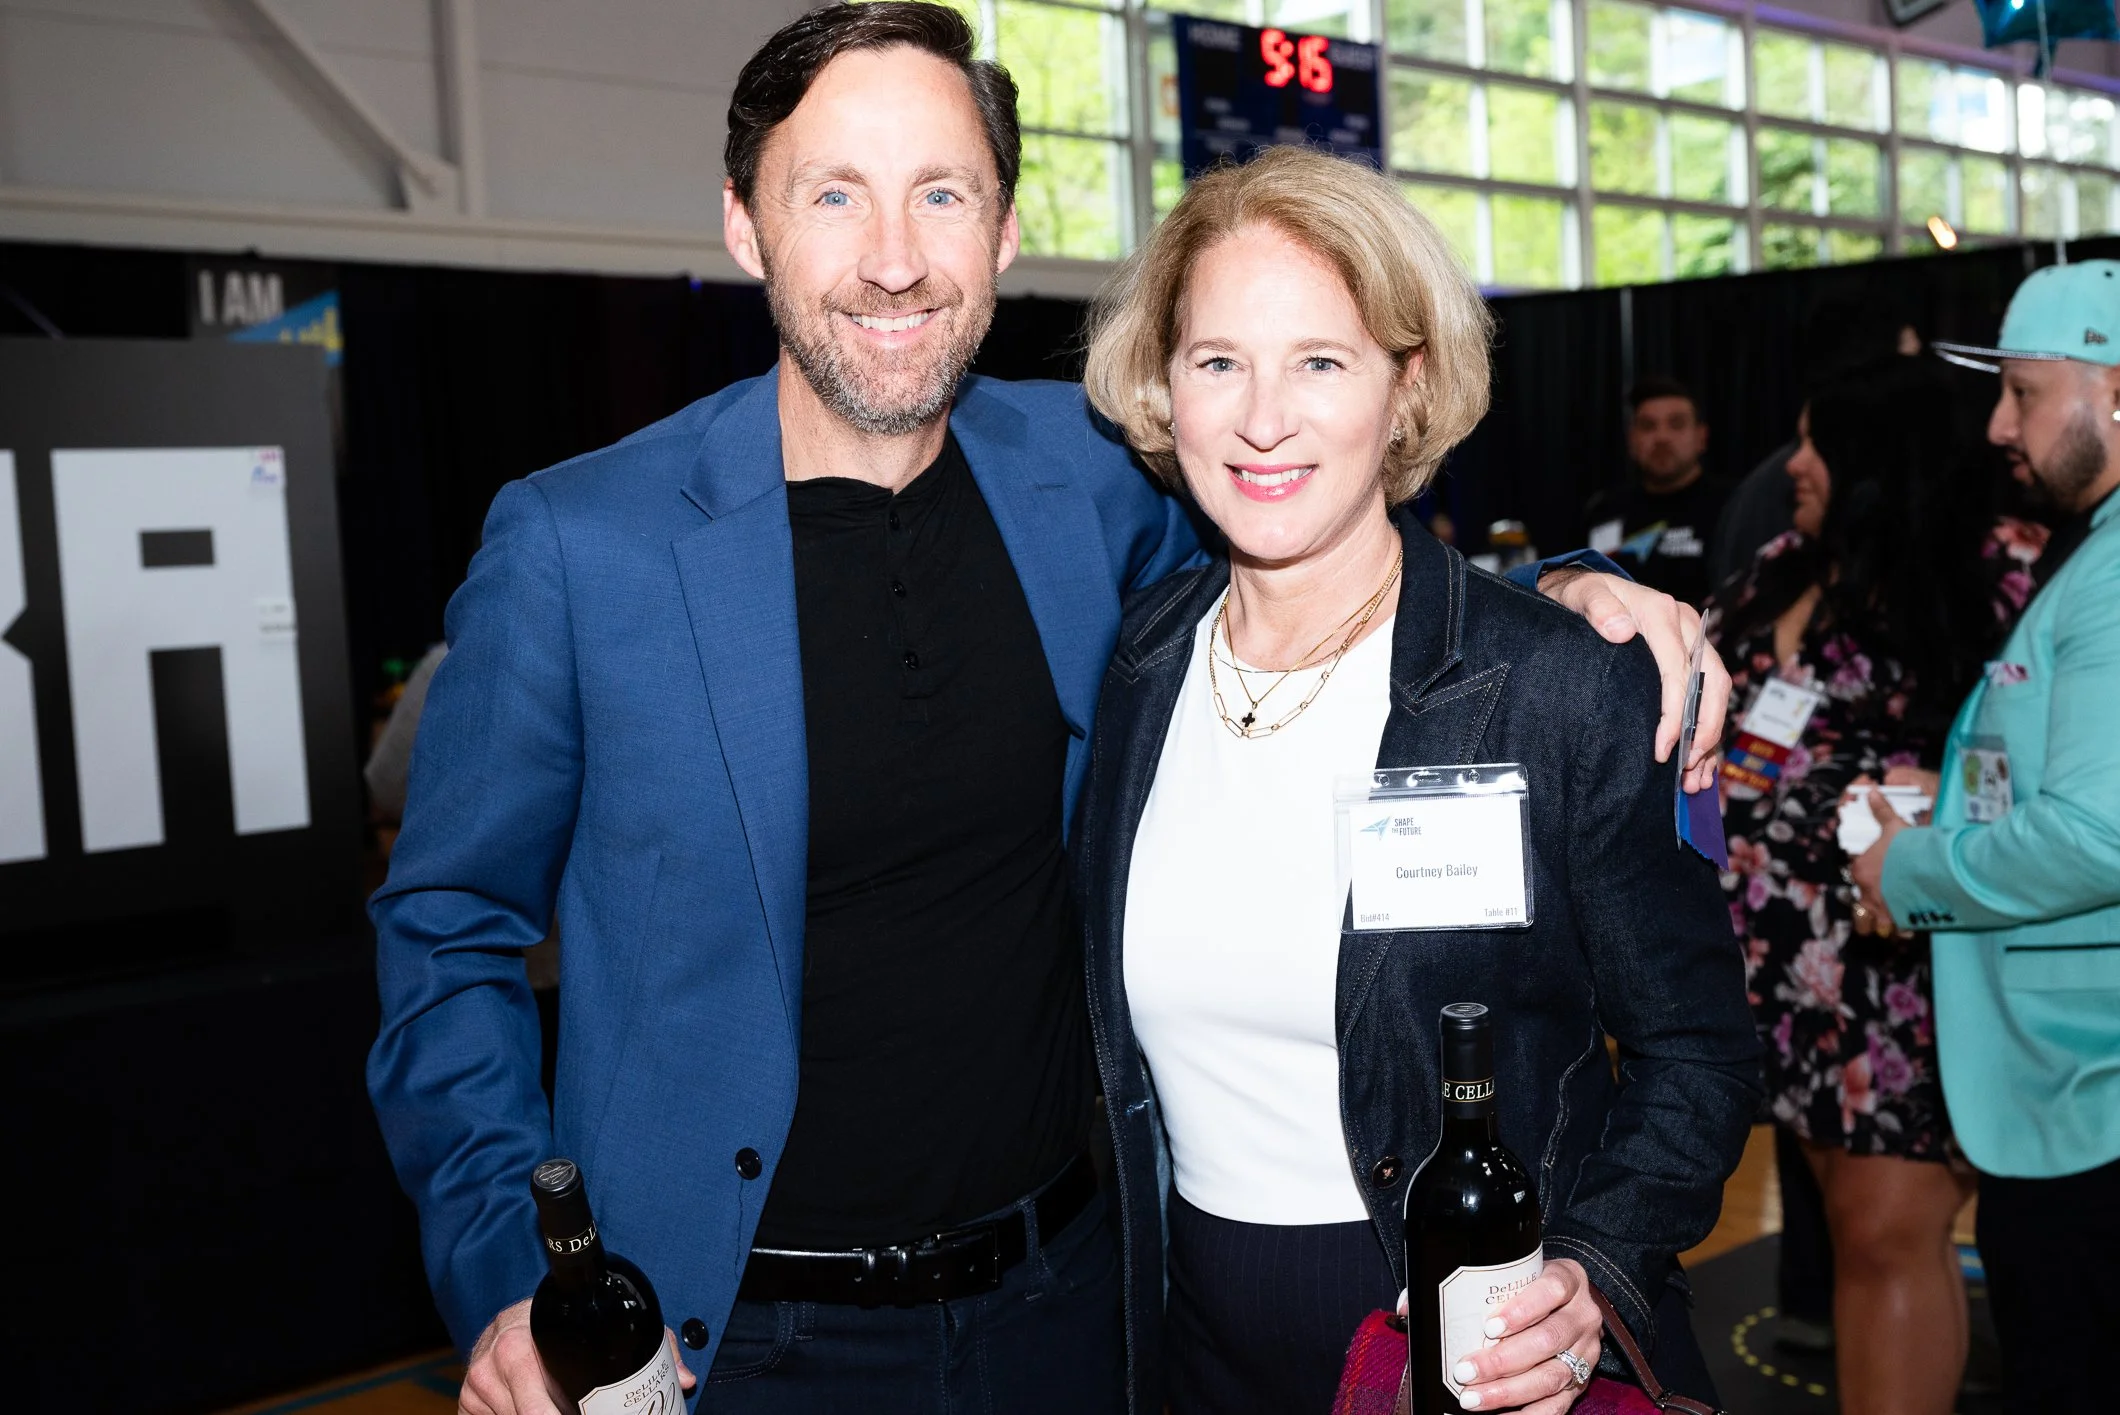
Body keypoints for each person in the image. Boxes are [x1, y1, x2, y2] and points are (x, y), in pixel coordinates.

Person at [369, 8, 1730, 1414]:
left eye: (940, 194)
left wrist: (1575, 592)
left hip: (1075, 1313)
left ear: (1005, 229)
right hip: (731, 1346)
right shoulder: (582, 545)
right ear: (742, 223)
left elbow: (1325, 537)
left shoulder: (1084, 481)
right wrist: (514, 1274)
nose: (893, 257)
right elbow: (443, 928)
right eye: (832, 195)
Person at [1073, 147, 1761, 1415]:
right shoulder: (1136, 662)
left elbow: (1698, 1053)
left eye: (1319, 362)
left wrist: (1594, 1267)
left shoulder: (1553, 685)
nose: (1261, 417)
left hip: (1480, 1342)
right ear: (1162, 388)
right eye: (1217, 361)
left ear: (1408, 388)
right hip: (1188, 1342)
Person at [1709, 358, 2044, 1415]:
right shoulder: (1784, 563)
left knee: (1885, 1232)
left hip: (1897, 964)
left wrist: (1950, 796)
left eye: (1818, 441)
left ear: (1881, 460)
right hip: (1781, 969)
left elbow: (2046, 758)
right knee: (1854, 1232)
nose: (1793, 464)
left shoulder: (1999, 570)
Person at [1849, 260, 2120, 1415]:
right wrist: (1956, 795)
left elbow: (2101, 833)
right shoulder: (2090, 547)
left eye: (2022, 392)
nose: (2000, 426)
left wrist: (1909, 865)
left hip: (2087, 1102)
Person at [1583, 376, 1732, 606]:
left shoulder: (1733, 507)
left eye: (1676, 424)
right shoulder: (1603, 511)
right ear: (1632, 440)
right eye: (1648, 426)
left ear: (1701, 437)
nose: (1662, 437)